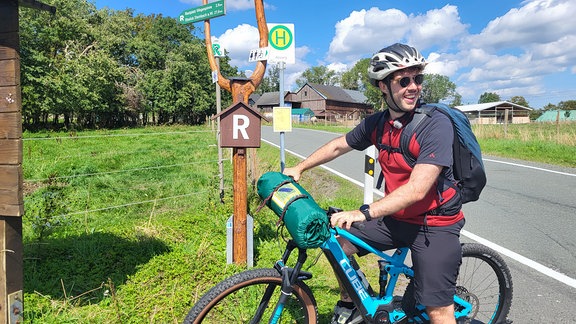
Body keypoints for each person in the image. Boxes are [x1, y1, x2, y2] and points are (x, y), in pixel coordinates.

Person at [283, 43, 465, 324]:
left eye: (418, 79)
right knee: (338, 246)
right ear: (383, 86)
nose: (414, 87)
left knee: (437, 311)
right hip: (397, 217)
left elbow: (418, 189)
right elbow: (338, 146)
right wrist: (300, 167)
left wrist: (363, 213)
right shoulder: (377, 123)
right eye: (403, 80)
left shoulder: (435, 124)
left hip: (434, 224)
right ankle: (353, 302)